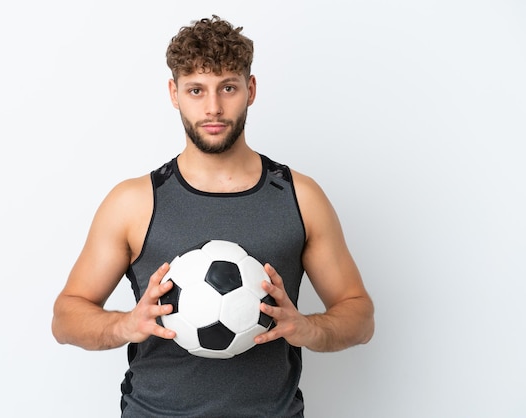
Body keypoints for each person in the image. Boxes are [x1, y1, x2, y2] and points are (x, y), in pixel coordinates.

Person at [52, 15, 374, 417]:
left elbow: (359, 315)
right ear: (174, 93)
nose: (214, 108)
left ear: (250, 89)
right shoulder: (134, 202)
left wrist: (310, 328)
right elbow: (66, 316)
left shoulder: (299, 196)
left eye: (227, 88)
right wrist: (125, 325)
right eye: (196, 90)